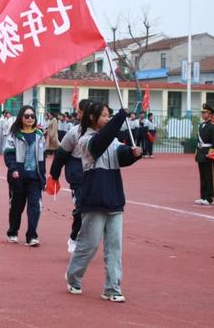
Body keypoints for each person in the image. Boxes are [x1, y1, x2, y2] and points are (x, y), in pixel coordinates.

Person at [65, 103, 142, 303]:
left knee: (114, 247)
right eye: (105, 116)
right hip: (94, 199)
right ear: (92, 118)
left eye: (110, 116)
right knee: (89, 244)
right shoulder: (85, 140)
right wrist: (120, 118)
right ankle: (73, 277)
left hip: (115, 199)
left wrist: (133, 154)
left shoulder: (112, 139)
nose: (108, 119)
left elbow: (121, 155)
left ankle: (112, 288)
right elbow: (100, 144)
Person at [49, 99, 91, 254]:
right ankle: (74, 238)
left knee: (94, 211)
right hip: (77, 174)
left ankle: (87, 239)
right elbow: (61, 155)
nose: (80, 115)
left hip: (96, 174)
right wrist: (54, 175)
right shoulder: (74, 132)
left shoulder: (101, 132)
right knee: (81, 208)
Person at [3, 105, 47, 247]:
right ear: (21, 118)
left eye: (32, 116)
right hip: (18, 177)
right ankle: (13, 232)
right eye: (27, 116)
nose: (30, 119)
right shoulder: (14, 135)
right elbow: (9, 154)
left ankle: (32, 236)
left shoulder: (39, 135)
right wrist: (13, 169)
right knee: (17, 206)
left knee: (35, 206)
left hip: (35, 177)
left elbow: (42, 158)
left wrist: (43, 176)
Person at [195, 103, 214, 206]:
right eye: (202, 112)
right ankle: (203, 196)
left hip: (208, 154)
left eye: (204, 113)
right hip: (201, 154)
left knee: (209, 176)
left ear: (210, 114)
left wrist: (212, 153)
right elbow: (199, 141)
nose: (202, 114)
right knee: (202, 176)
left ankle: (210, 198)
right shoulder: (201, 125)